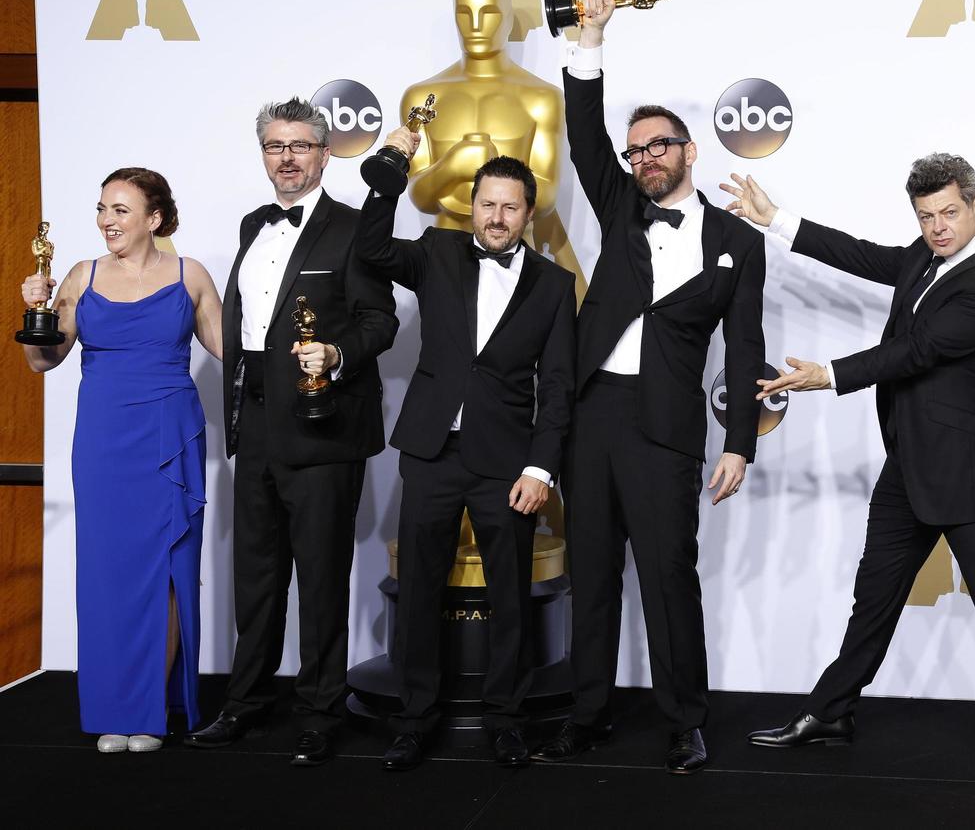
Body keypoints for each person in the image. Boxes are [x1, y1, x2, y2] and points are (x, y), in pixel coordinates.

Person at [724, 155, 975, 791]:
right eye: (925, 217)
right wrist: (777, 219)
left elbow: (918, 352)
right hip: (909, 467)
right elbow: (864, 257)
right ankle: (831, 712)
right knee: (876, 595)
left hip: (967, 474)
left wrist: (827, 374)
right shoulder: (923, 255)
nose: (937, 227)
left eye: (949, 213)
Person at [530, 0, 767, 774]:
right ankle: (586, 712)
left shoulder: (735, 239)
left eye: (658, 147)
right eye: (636, 152)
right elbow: (583, 139)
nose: (645, 161)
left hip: (665, 426)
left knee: (669, 578)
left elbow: (743, 344)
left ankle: (684, 722)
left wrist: (739, 443)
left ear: (689, 150)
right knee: (590, 574)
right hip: (593, 414)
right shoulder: (621, 206)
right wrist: (586, 44)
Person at [184, 98, 397, 766]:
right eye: (275, 147)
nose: (287, 158)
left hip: (323, 426)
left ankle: (319, 711)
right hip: (256, 426)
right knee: (256, 578)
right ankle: (245, 703)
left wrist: (335, 356)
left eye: (300, 146)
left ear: (325, 153)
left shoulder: (355, 229)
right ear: (264, 155)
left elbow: (379, 321)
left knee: (323, 578)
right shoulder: (253, 224)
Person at [356, 134, 575, 771]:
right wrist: (391, 168)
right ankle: (415, 719)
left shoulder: (554, 287)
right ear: (471, 207)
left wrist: (541, 468)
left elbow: (557, 386)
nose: (497, 218)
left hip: (508, 463)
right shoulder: (436, 252)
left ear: (527, 213)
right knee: (420, 590)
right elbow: (371, 248)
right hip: (430, 451)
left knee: (509, 595)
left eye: (510, 208)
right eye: (487, 205)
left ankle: (507, 720)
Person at [21, 167, 223, 753]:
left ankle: (150, 707)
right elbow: (42, 361)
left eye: (121, 210)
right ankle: (115, 709)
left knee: (165, 569)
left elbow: (234, 350)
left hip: (169, 434)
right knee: (107, 571)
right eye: (103, 208)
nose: (107, 220)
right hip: (105, 439)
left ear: (154, 219)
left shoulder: (190, 276)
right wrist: (35, 310)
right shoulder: (81, 276)